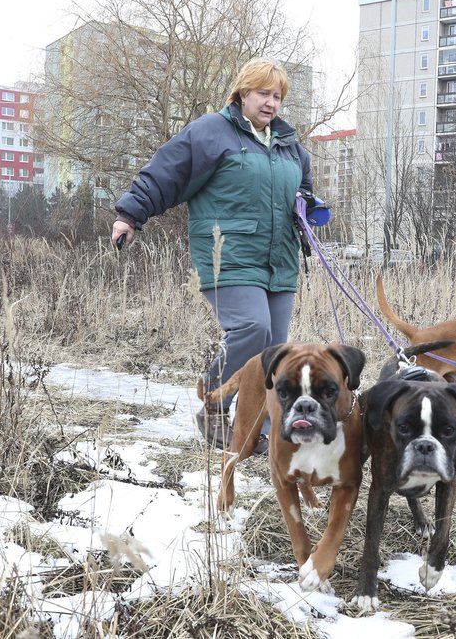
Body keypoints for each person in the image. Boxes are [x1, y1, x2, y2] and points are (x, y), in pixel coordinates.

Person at [111, 57, 313, 453]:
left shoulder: (289, 144)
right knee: (252, 328)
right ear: (242, 92)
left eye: (277, 96)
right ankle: (214, 403)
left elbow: (302, 188)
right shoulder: (212, 132)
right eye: (262, 94)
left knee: (274, 349)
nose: (270, 103)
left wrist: (307, 204)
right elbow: (166, 172)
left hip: (280, 260)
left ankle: (257, 426)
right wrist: (130, 216)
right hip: (228, 253)